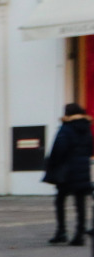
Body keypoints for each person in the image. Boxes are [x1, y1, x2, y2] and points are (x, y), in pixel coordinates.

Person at [42, 103, 92, 247]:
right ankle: (79, 234)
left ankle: (61, 231)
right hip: (82, 170)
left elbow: (59, 149)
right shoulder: (86, 128)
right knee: (80, 203)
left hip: (67, 172)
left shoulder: (66, 128)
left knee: (60, 201)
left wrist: (52, 165)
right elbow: (89, 148)